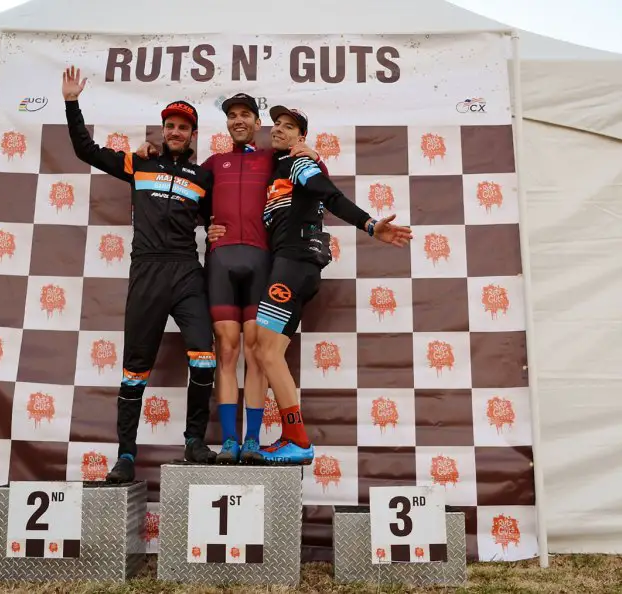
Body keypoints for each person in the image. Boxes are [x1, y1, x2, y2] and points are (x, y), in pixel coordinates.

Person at [207, 106, 413, 465]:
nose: (280, 130)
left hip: (294, 266)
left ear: (301, 138)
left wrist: (369, 225)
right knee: (265, 353)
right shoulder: (276, 167)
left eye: (289, 127)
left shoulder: (299, 163)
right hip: (289, 267)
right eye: (277, 125)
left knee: (265, 353)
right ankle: (291, 437)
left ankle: (299, 440)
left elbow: (329, 194)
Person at [136, 94, 326, 465]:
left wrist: (314, 155)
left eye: (245, 115)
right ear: (227, 124)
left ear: (258, 124)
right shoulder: (211, 165)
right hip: (221, 263)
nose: (238, 121)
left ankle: (252, 440)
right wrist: (149, 154)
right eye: (232, 116)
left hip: (263, 264)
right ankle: (228, 441)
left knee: (257, 352)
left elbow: (317, 186)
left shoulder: (275, 158)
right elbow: (177, 192)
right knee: (225, 350)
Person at [62, 65, 218, 483]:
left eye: (184, 126)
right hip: (147, 271)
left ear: (193, 134)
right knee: (135, 369)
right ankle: (126, 455)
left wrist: (217, 228)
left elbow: (216, 216)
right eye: (170, 125)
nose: (176, 131)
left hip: (187, 272)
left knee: (204, 362)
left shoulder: (204, 177)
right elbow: (85, 150)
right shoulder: (138, 164)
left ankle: (195, 441)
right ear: (162, 129)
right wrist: (72, 102)